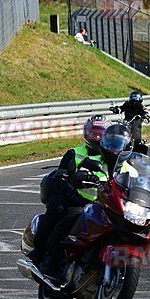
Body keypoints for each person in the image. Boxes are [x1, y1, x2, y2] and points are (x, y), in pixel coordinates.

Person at [31, 115, 112, 277]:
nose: (96, 137)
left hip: (105, 204)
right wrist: (72, 180)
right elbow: (61, 176)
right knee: (65, 213)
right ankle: (46, 255)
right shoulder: (75, 153)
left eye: (100, 133)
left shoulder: (114, 157)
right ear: (86, 133)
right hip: (76, 199)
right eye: (93, 132)